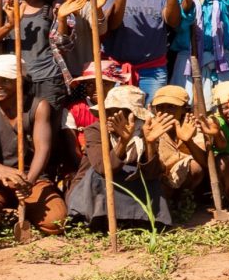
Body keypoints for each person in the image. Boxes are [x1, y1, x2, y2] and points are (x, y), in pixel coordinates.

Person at [0, 54, 62, 233]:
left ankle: (24, 211)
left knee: (55, 223)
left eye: (4, 80)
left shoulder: (38, 107)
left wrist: (29, 181)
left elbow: (43, 148)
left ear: (20, 81)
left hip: (30, 177)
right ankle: (3, 210)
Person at [68, 83, 175, 230]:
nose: (112, 117)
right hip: (93, 187)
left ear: (134, 115)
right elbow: (103, 169)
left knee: (148, 179)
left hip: (130, 184)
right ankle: (98, 219)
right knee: (97, 175)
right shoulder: (95, 130)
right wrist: (122, 143)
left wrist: (150, 144)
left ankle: (139, 220)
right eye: (109, 112)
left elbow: (152, 174)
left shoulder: (145, 130)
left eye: (119, 112)